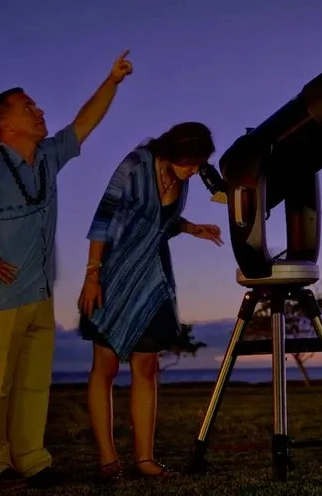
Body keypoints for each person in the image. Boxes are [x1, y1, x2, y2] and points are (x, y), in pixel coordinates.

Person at [0, 50, 134, 490]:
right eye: (28, 107)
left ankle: (31, 459)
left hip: (39, 291)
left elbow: (83, 124)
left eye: (36, 105)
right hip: (1, 295)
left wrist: (111, 80)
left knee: (34, 384)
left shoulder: (49, 156)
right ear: (6, 125)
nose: (39, 111)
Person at [77, 122, 224, 481]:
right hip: (113, 274)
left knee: (146, 368)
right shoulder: (135, 165)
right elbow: (103, 219)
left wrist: (192, 228)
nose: (194, 171)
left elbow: (162, 221)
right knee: (106, 368)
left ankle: (144, 459)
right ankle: (108, 458)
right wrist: (92, 275)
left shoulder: (184, 178)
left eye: (199, 164)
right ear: (173, 152)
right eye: (190, 162)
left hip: (153, 280)